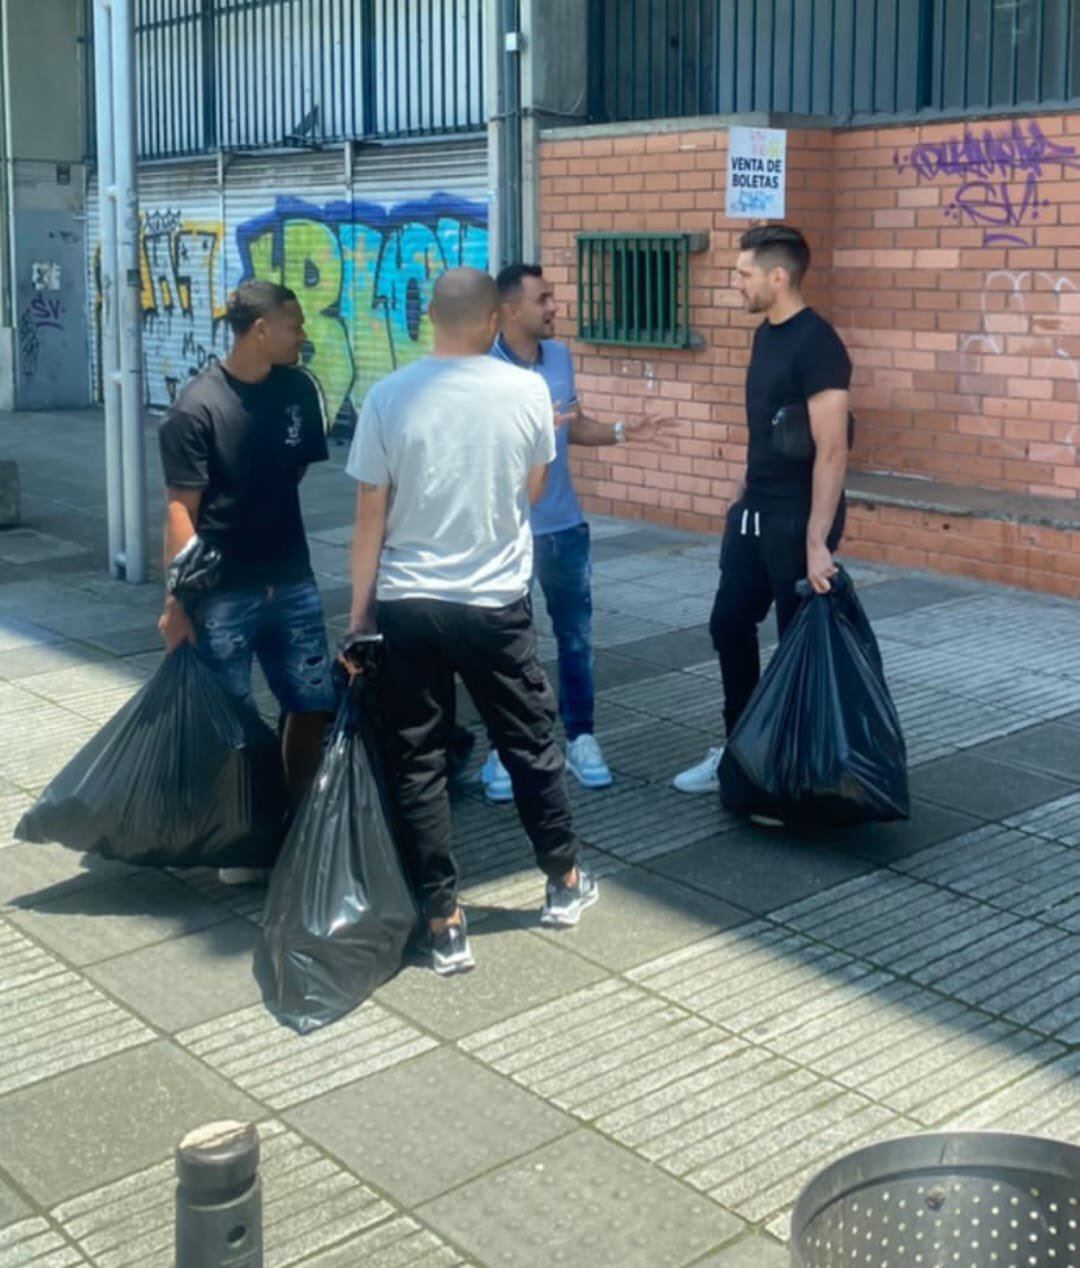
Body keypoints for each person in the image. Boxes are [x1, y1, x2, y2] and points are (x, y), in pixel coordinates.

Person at [343, 267, 598, 977]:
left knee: (417, 760)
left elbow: (369, 516)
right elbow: (535, 488)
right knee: (528, 743)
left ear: (430, 317)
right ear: (492, 321)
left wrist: (360, 612)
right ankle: (564, 881)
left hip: (408, 604)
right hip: (495, 603)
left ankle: (444, 921)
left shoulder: (389, 396)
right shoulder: (526, 392)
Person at [157, 279, 337, 879]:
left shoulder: (298, 391)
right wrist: (178, 601)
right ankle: (239, 831)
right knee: (230, 715)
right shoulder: (197, 406)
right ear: (261, 329)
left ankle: (298, 814)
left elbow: (291, 473)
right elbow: (182, 508)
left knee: (311, 703)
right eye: (295, 324)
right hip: (223, 591)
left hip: (291, 578)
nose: (303, 335)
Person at [479, 263, 673, 804]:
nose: (554, 308)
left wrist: (618, 431)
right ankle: (504, 746)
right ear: (511, 309)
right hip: (506, 533)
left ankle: (581, 737)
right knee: (506, 648)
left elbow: (573, 423)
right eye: (543, 299)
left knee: (577, 640)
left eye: (554, 298)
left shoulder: (559, 358)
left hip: (564, 527)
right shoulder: (482, 369)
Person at [674, 225, 852, 801]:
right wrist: (737, 495)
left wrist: (817, 540)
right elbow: (763, 433)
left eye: (743, 273)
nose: (736, 283)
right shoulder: (763, 337)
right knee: (729, 623)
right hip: (755, 511)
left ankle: (796, 768)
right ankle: (740, 749)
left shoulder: (818, 344)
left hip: (799, 519)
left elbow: (832, 448)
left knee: (795, 641)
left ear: (778, 276)